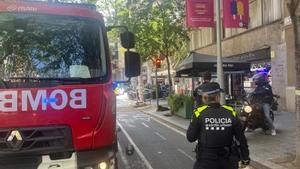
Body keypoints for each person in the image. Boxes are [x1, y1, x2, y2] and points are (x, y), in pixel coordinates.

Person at [187, 82, 250, 169]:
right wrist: (245, 159)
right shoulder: (231, 112)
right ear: (217, 97)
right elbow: (241, 139)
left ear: (204, 98)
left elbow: (190, 138)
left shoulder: (198, 113)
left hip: (206, 162)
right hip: (228, 161)